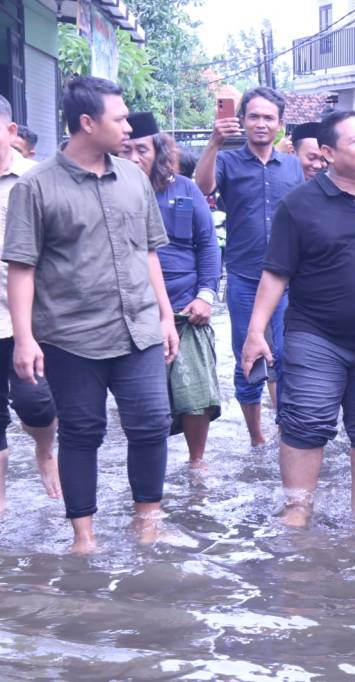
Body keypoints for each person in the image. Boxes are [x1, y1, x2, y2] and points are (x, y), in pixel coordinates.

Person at [3, 77, 178, 552]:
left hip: (139, 328)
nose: (128, 127)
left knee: (152, 423)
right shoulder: (36, 186)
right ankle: (84, 537)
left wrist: (165, 316)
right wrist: (24, 339)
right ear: (87, 122)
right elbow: (22, 268)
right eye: (119, 119)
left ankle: (147, 523)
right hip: (71, 335)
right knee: (82, 432)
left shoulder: (134, 178)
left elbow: (148, 253)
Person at [242, 111, 355, 526]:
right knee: (306, 422)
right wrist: (256, 330)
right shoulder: (299, 204)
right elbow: (276, 272)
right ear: (329, 153)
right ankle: (297, 511)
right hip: (317, 336)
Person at [195, 87, 303, 446]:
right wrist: (214, 142)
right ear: (241, 120)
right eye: (253, 116)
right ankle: (256, 438)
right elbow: (204, 186)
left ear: (280, 124)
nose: (261, 123)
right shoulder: (228, 162)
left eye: (268, 117)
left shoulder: (293, 167)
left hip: (287, 278)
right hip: (244, 275)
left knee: (287, 354)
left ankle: (286, 431)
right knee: (249, 357)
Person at [120, 114, 222, 469]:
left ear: (158, 152)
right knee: (145, 403)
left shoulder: (185, 190)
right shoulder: (111, 191)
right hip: (132, 310)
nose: (134, 157)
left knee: (197, 395)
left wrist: (206, 295)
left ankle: (196, 464)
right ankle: (151, 470)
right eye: (125, 150)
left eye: (142, 150)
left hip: (185, 308)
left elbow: (207, 244)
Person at [0, 95, 60, 514]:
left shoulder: (37, 179)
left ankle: (44, 449)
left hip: (29, 318)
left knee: (37, 403)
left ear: (10, 131)